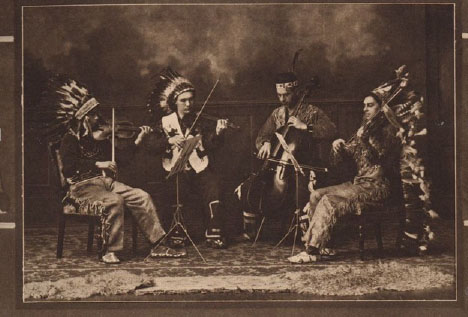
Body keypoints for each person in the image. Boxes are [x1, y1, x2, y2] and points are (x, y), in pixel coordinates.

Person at [41, 76, 182, 264]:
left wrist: (137, 142)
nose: (98, 118)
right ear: (84, 118)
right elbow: (68, 169)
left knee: (142, 196)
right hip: (81, 189)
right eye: (94, 115)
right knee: (114, 201)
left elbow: (121, 160)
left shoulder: (100, 139)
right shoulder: (70, 139)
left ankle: (158, 244)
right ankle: (109, 250)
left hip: (106, 183)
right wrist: (97, 164)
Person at [288, 91, 402, 263]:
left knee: (328, 200)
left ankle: (311, 250)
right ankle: (324, 245)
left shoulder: (390, 131)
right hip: (359, 183)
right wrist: (338, 147)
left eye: (370, 105)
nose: (365, 109)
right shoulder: (365, 128)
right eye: (364, 106)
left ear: (382, 107)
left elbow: (380, 157)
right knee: (316, 194)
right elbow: (343, 159)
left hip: (377, 187)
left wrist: (363, 139)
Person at [241, 71, 336, 240]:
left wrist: (305, 127)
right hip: (280, 166)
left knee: (301, 189)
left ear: (297, 92)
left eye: (286, 95)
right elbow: (262, 136)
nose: (282, 99)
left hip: (305, 165)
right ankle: (252, 231)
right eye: (279, 95)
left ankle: (307, 234)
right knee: (251, 185)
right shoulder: (277, 113)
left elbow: (331, 130)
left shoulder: (312, 112)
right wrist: (266, 143)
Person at [146, 68, 229, 249]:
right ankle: (178, 232)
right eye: (183, 100)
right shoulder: (164, 122)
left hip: (199, 167)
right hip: (175, 169)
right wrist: (169, 140)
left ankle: (214, 232)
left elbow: (210, 145)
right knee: (176, 187)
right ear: (174, 102)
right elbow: (151, 146)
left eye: (191, 99)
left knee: (213, 185)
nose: (189, 104)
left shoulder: (199, 121)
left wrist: (218, 133)